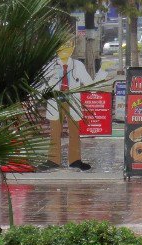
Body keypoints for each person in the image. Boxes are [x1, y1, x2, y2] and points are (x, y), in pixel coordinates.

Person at [40, 37, 106, 171]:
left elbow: (90, 85)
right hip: (55, 100)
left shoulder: (78, 65)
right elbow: (40, 84)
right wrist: (39, 95)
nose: (65, 50)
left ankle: (75, 160)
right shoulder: (49, 66)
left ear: (73, 48)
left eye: (69, 46)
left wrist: (102, 72)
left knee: (75, 132)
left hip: (72, 101)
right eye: (62, 46)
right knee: (55, 131)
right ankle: (53, 160)